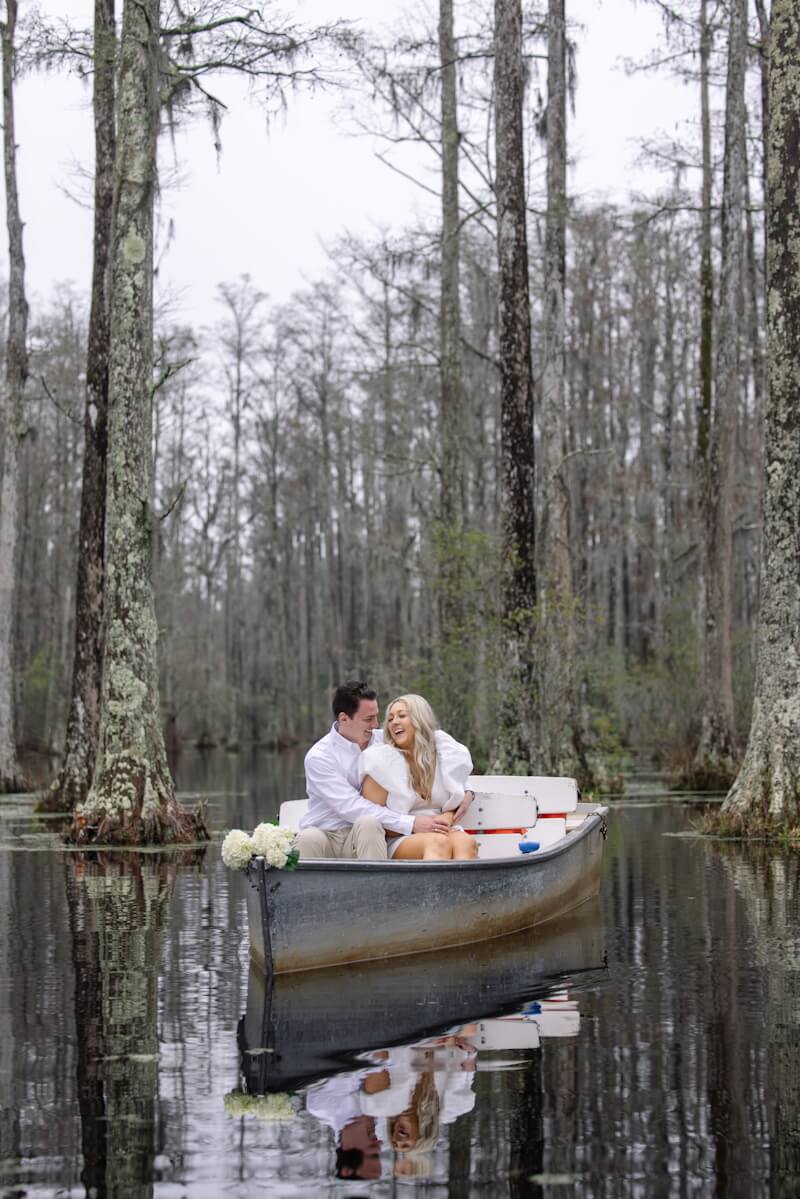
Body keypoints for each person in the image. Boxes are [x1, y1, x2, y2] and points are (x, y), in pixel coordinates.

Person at [296, 681, 454, 861]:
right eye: (368, 719)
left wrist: (466, 789)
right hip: (326, 836)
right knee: (307, 837)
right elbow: (350, 807)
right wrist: (410, 823)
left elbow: (434, 745)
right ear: (343, 719)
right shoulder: (320, 756)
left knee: (369, 823)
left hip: (369, 835)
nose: (376, 724)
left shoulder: (384, 740)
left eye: (376, 717)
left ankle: (377, 888)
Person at [359, 694, 477, 861]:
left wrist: (447, 816)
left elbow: (459, 792)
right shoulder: (381, 762)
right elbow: (374, 821)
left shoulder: (443, 753)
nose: (394, 722)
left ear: (419, 718)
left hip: (439, 829)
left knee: (466, 843)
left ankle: (459, 888)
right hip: (399, 836)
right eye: (390, 718)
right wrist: (415, 824)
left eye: (402, 715)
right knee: (437, 842)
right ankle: (430, 888)